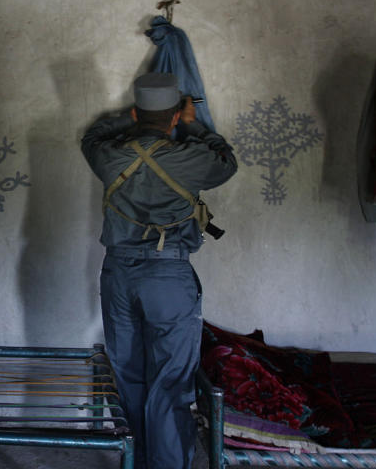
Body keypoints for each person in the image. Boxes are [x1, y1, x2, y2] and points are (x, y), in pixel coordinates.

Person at [80, 72, 237, 469]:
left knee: (129, 374)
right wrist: (193, 123)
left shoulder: (109, 154)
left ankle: (137, 460)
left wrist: (127, 119)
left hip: (118, 275)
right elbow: (227, 162)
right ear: (173, 118)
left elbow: (91, 137)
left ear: (135, 113)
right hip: (168, 278)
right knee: (170, 381)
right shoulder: (193, 158)